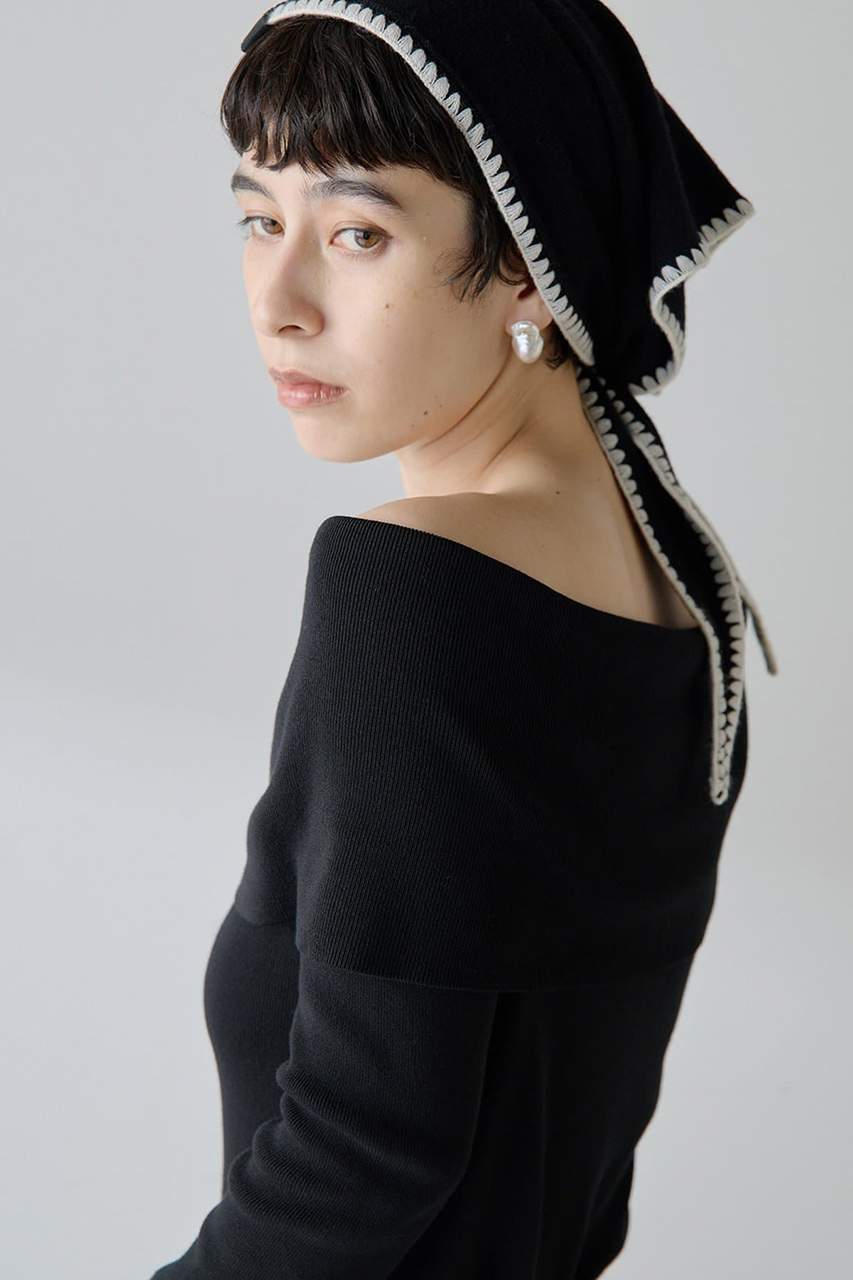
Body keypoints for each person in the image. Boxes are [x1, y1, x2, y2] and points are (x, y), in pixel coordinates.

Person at [150, 3, 779, 1277]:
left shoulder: (415, 586)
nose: (278, 301)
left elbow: (359, 1151)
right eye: (260, 219)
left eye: (358, 232)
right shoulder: (665, 569)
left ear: (528, 259)